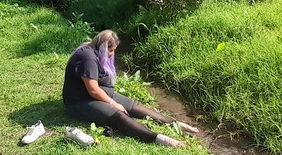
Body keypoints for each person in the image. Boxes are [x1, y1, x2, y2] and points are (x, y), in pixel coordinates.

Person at [62, 30, 199, 147]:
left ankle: (174, 123)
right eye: (111, 51)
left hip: (100, 93)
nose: (111, 54)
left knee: (135, 106)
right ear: (103, 47)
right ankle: (162, 139)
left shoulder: (93, 49)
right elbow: (93, 90)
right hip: (80, 101)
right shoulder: (87, 58)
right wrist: (113, 103)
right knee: (119, 116)